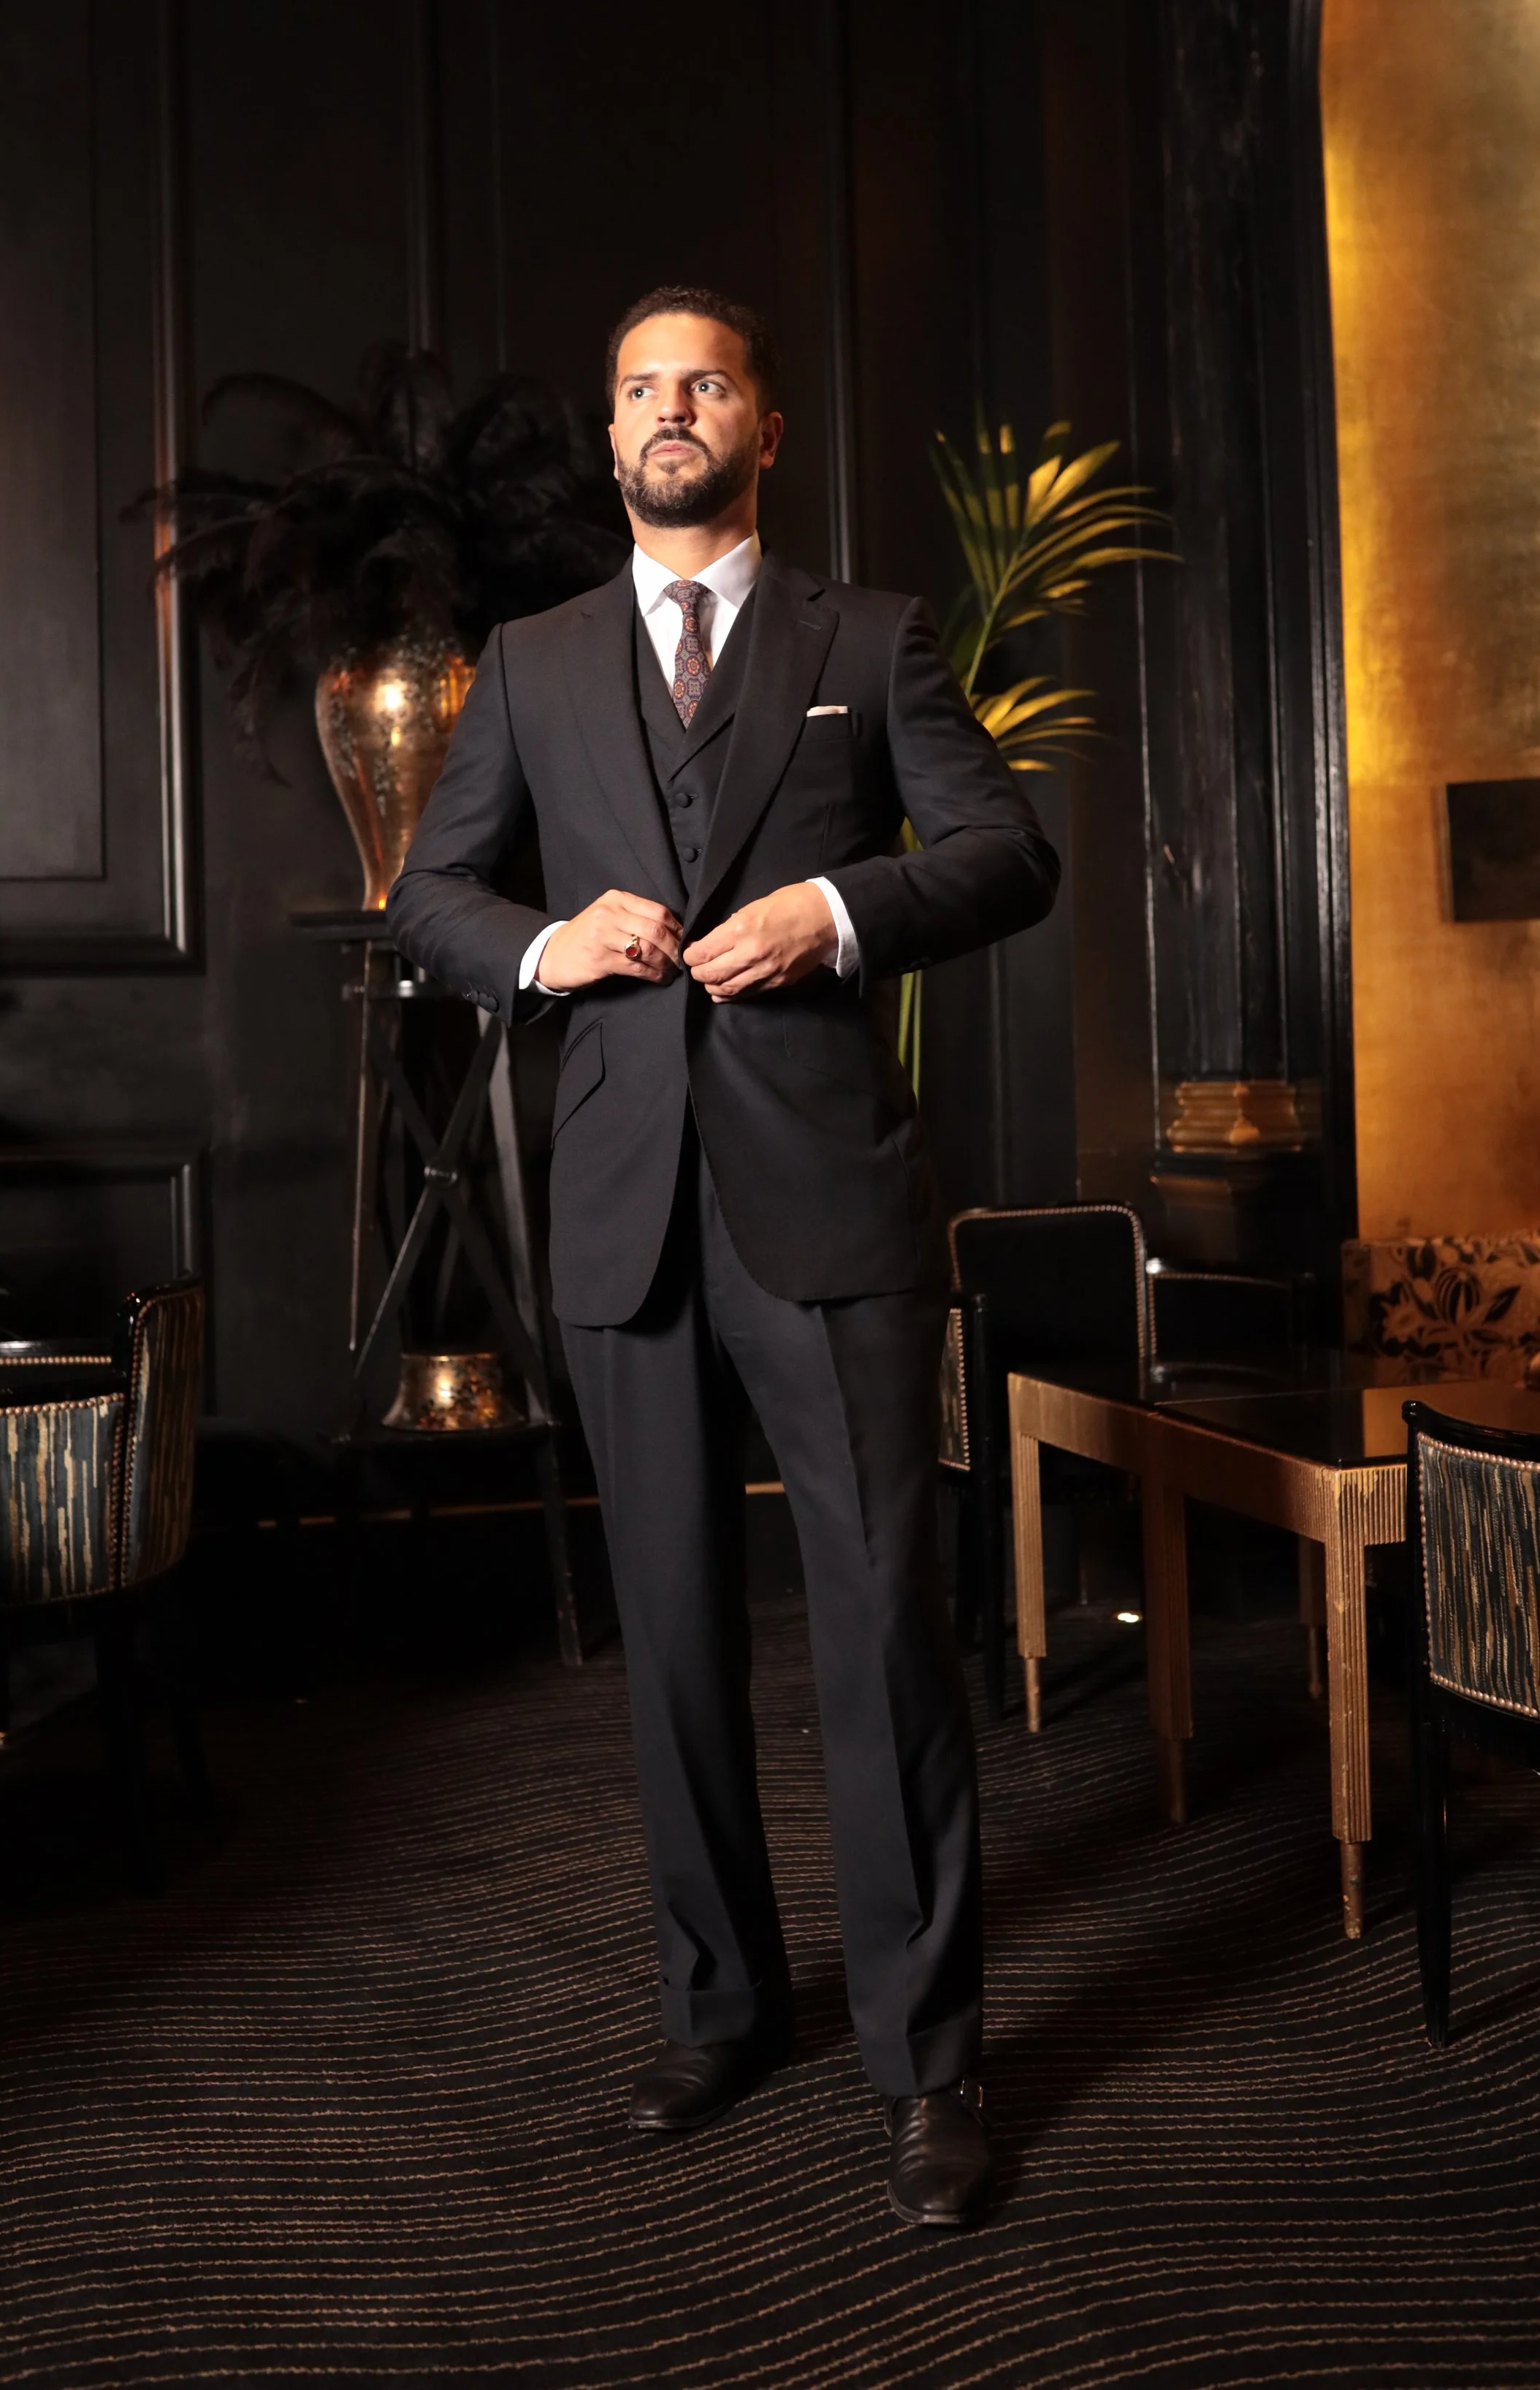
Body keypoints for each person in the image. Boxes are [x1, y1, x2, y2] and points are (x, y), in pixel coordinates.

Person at [388, 286, 1059, 2228]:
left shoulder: (872, 637)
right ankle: (719, 2001)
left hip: (824, 1200)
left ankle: (929, 2061)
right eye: (636, 388)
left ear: (763, 425)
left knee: (878, 1631)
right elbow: (429, 890)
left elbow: (1008, 850)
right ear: (611, 442)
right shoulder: (529, 660)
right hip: (622, 1202)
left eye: (702, 382)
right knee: (670, 1635)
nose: (667, 409)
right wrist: (540, 945)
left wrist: (838, 913)